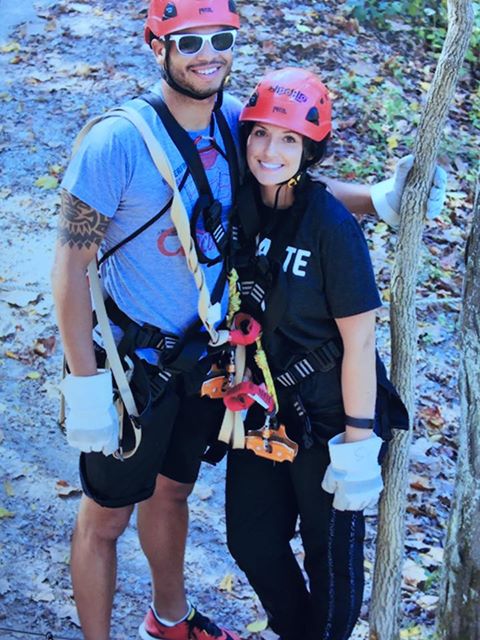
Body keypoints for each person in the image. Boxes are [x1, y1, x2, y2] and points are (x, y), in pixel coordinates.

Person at [51, 2, 443, 639]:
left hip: (203, 365)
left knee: (172, 494)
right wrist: (84, 379)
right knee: (106, 517)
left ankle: (169, 619)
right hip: (131, 370)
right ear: (158, 46)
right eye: (190, 40)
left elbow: (286, 176)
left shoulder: (236, 125)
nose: (209, 52)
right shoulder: (114, 143)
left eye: (222, 38)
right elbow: (71, 266)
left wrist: (378, 200)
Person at [224, 67, 409, 640]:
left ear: (309, 150)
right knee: (251, 539)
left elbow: (359, 341)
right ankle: (295, 629)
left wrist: (357, 443)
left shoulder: (331, 225)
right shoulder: (240, 201)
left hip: (331, 412)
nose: (269, 150)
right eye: (259, 134)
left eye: (288, 140)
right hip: (263, 406)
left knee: (329, 560)